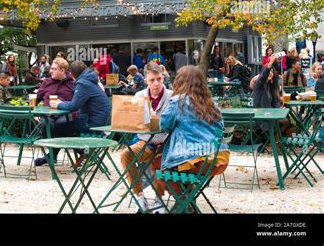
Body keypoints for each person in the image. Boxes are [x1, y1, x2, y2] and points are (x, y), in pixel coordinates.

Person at [153, 66, 230, 213]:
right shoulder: (212, 103)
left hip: (196, 161)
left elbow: (164, 125)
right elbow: (220, 128)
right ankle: (188, 200)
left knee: (157, 164)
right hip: (219, 159)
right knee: (178, 166)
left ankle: (184, 200)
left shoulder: (178, 102)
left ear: (180, 82)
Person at [120, 62, 172, 213]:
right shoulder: (139, 96)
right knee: (125, 155)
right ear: (145, 80)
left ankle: (158, 200)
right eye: (152, 80)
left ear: (163, 78)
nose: (156, 83)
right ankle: (140, 197)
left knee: (159, 161)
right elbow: (132, 122)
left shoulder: (172, 96)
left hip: (166, 144)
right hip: (145, 142)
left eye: (159, 79)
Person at [50, 61, 110, 140]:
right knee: (67, 127)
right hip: (102, 122)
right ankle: (81, 151)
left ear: (71, 74)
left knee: (58, 128)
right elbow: (76, 103)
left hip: (94, 125)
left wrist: (58, 105)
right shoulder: (89, 80)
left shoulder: (82, 84)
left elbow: (74, 106)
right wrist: (62, 103)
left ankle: (81, 151)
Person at [34, 58, 75, 166]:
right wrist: (35, 113)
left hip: (65, 114)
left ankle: (51, 155)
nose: (50, 71)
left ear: (62, 71)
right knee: (44, 124)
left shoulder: (72, 83)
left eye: (54, 69)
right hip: (47, 114)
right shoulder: (46, 82)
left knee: (60, 125)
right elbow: (36, 99)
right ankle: (52, 154)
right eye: (51, 68)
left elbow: (77, 102)